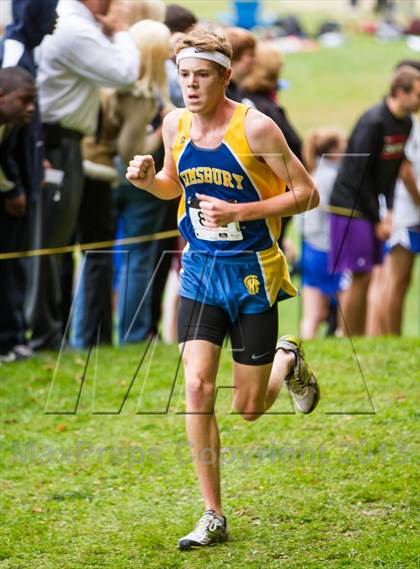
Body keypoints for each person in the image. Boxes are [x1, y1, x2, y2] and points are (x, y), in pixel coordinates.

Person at [126, 26, 320, 550]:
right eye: (183, 75)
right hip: (200, 271)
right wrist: (149, 180)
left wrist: (243, 210)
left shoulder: (257, 129)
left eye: (202, 75)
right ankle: (213, 513)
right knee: (196, 388)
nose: (190, 85)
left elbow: (307, 194)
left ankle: (286, 359)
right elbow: (174, 183)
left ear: (225, 75)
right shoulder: (175, 124)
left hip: (254, 273)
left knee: (250, 408)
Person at [25, 0, 140, 351]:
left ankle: (48, 332)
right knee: (48, 241)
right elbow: (124, 72)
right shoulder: (76, 29)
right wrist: (121, 33)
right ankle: (43, 336)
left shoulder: (79, 25)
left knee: (55, 242)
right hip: (56, 143)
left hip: (64, 142)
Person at [329, 66, 420, 336]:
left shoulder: (405, 124)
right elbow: (358, 176)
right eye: (417, 95)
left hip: (372, 207)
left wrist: (390, 210)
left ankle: (356, 336)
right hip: (350, 205)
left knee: (367, 274)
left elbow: (391, 171)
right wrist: (378, 217)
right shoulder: (373, 122)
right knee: (358, 274)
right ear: (400, 92)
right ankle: (346, 336)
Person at [109, 19, 172, 344]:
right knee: (137, 260)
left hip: (108, 180)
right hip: (136, 184)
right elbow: (132, 150)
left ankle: (89, 332)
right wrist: (165, 129)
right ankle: (133, 334)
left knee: (102, 261)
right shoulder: (144, 95)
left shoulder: (112, 86)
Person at [0, 67, 37, 362]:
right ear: (1, 97)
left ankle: (10, 340)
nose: (31, 108)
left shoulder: (11, 124)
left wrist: (12, 188)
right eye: (24, 100)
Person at [298, 128, 346, 339]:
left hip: (310, 247)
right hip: (329, 248)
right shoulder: (332, 177)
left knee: (311, 315)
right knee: (345, 308)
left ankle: (304, 349)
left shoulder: (312, 174)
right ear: (334, 151)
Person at [224, 27, 256, 104]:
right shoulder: (223, 93)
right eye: (251, 55)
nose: (255, 61)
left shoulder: (236, 89)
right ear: (234, 56)